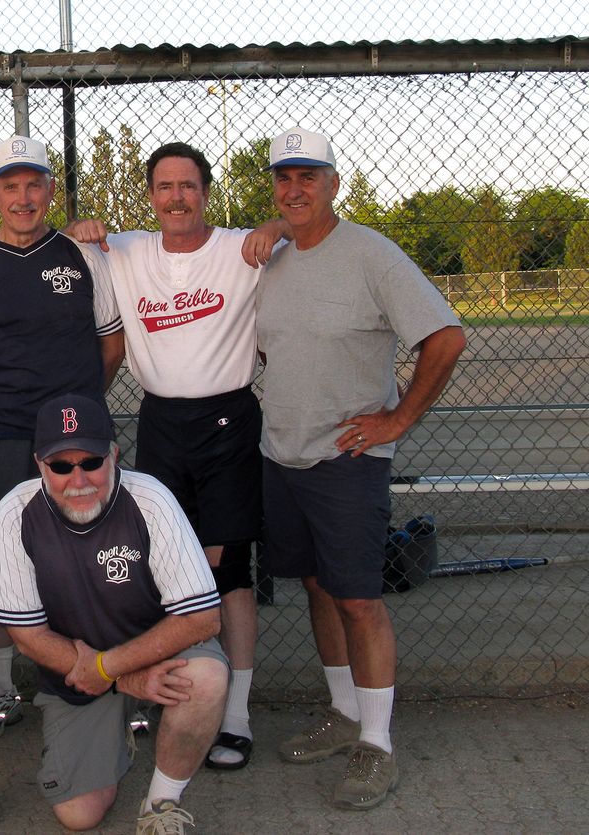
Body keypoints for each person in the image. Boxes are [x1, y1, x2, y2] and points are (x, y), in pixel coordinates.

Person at [255, 127, 465, 810]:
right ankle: (344, 713)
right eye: (284, 177)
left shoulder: (372, 254)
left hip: (348, 456)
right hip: (279, 453)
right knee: (317, 585)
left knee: (359, 598)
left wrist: (399, 418)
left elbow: (445, 336)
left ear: (334, 183)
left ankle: (377, 742)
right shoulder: (272, 256)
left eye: (309, 176)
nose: (295, 189)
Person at [64, 142, 287, 769]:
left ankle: (234, 714)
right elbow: (68, 245)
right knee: (159, 563)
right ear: (151, 195)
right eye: (164, 187)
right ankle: (162, 689)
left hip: (228, 419)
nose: (176, 198)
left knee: (229, 572)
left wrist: (278, 225)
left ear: (206, 192)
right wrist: (80, 228)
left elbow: (306, 231)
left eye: (187, 186)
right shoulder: (127, 250)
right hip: (162, 420)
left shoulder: (243, 248)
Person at [0, 394, 227, 834]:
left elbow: (203, 619)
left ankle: (162, 802)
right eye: (61, 466)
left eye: (92, 461)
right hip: (76, 671)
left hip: (137, 655)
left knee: (206, 679)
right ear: (39, 463)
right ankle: (119, 721)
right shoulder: (13, 513)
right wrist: (119, 678)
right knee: (79, 816)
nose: (78, 479)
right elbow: (27, 636)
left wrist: (107, 666)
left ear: (115, 455)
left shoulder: (150, 499)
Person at [0, 135, 125, 738]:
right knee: (5, 559)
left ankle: (105, 677)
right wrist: (7, 408)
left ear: (51, 189)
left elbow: (111, 344)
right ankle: (3, 684)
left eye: (34, 184)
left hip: (76, 436)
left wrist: (75, 406)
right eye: (10, 185)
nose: (22, 198)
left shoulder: (85, 257)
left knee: (95, 553)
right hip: (3, 432)